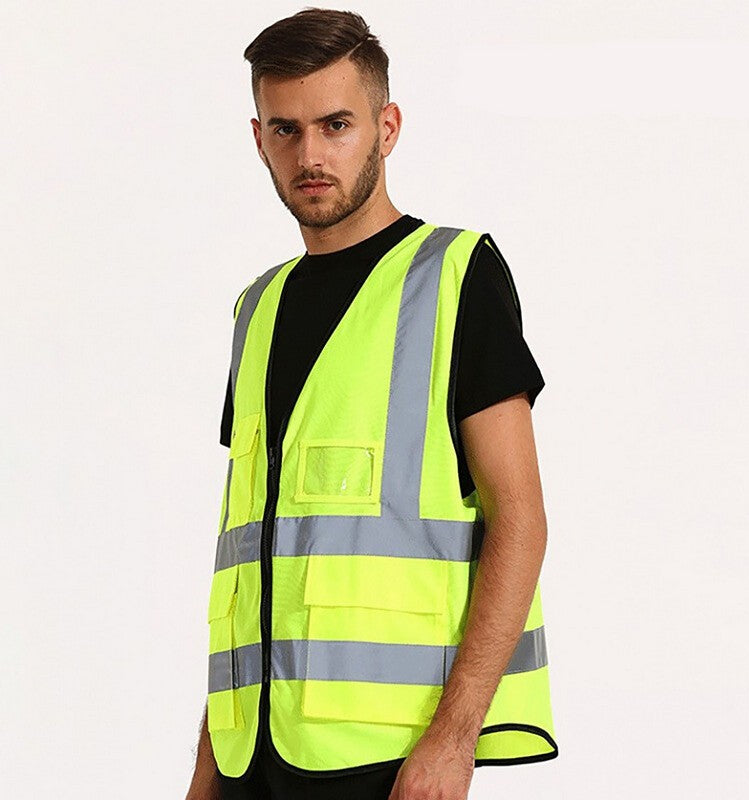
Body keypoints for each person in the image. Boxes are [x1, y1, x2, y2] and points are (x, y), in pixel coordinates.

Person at [186, 8, 557, 800]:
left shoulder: (454, 276)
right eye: (285, 130)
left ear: (386, 128)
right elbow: (256, 560)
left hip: (390, 759)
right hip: (253, 757)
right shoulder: (256, 309)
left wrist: (454, 739)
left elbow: (521, 519)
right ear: (258, 139)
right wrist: (210, 760)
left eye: (336, 124)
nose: (310, 156)